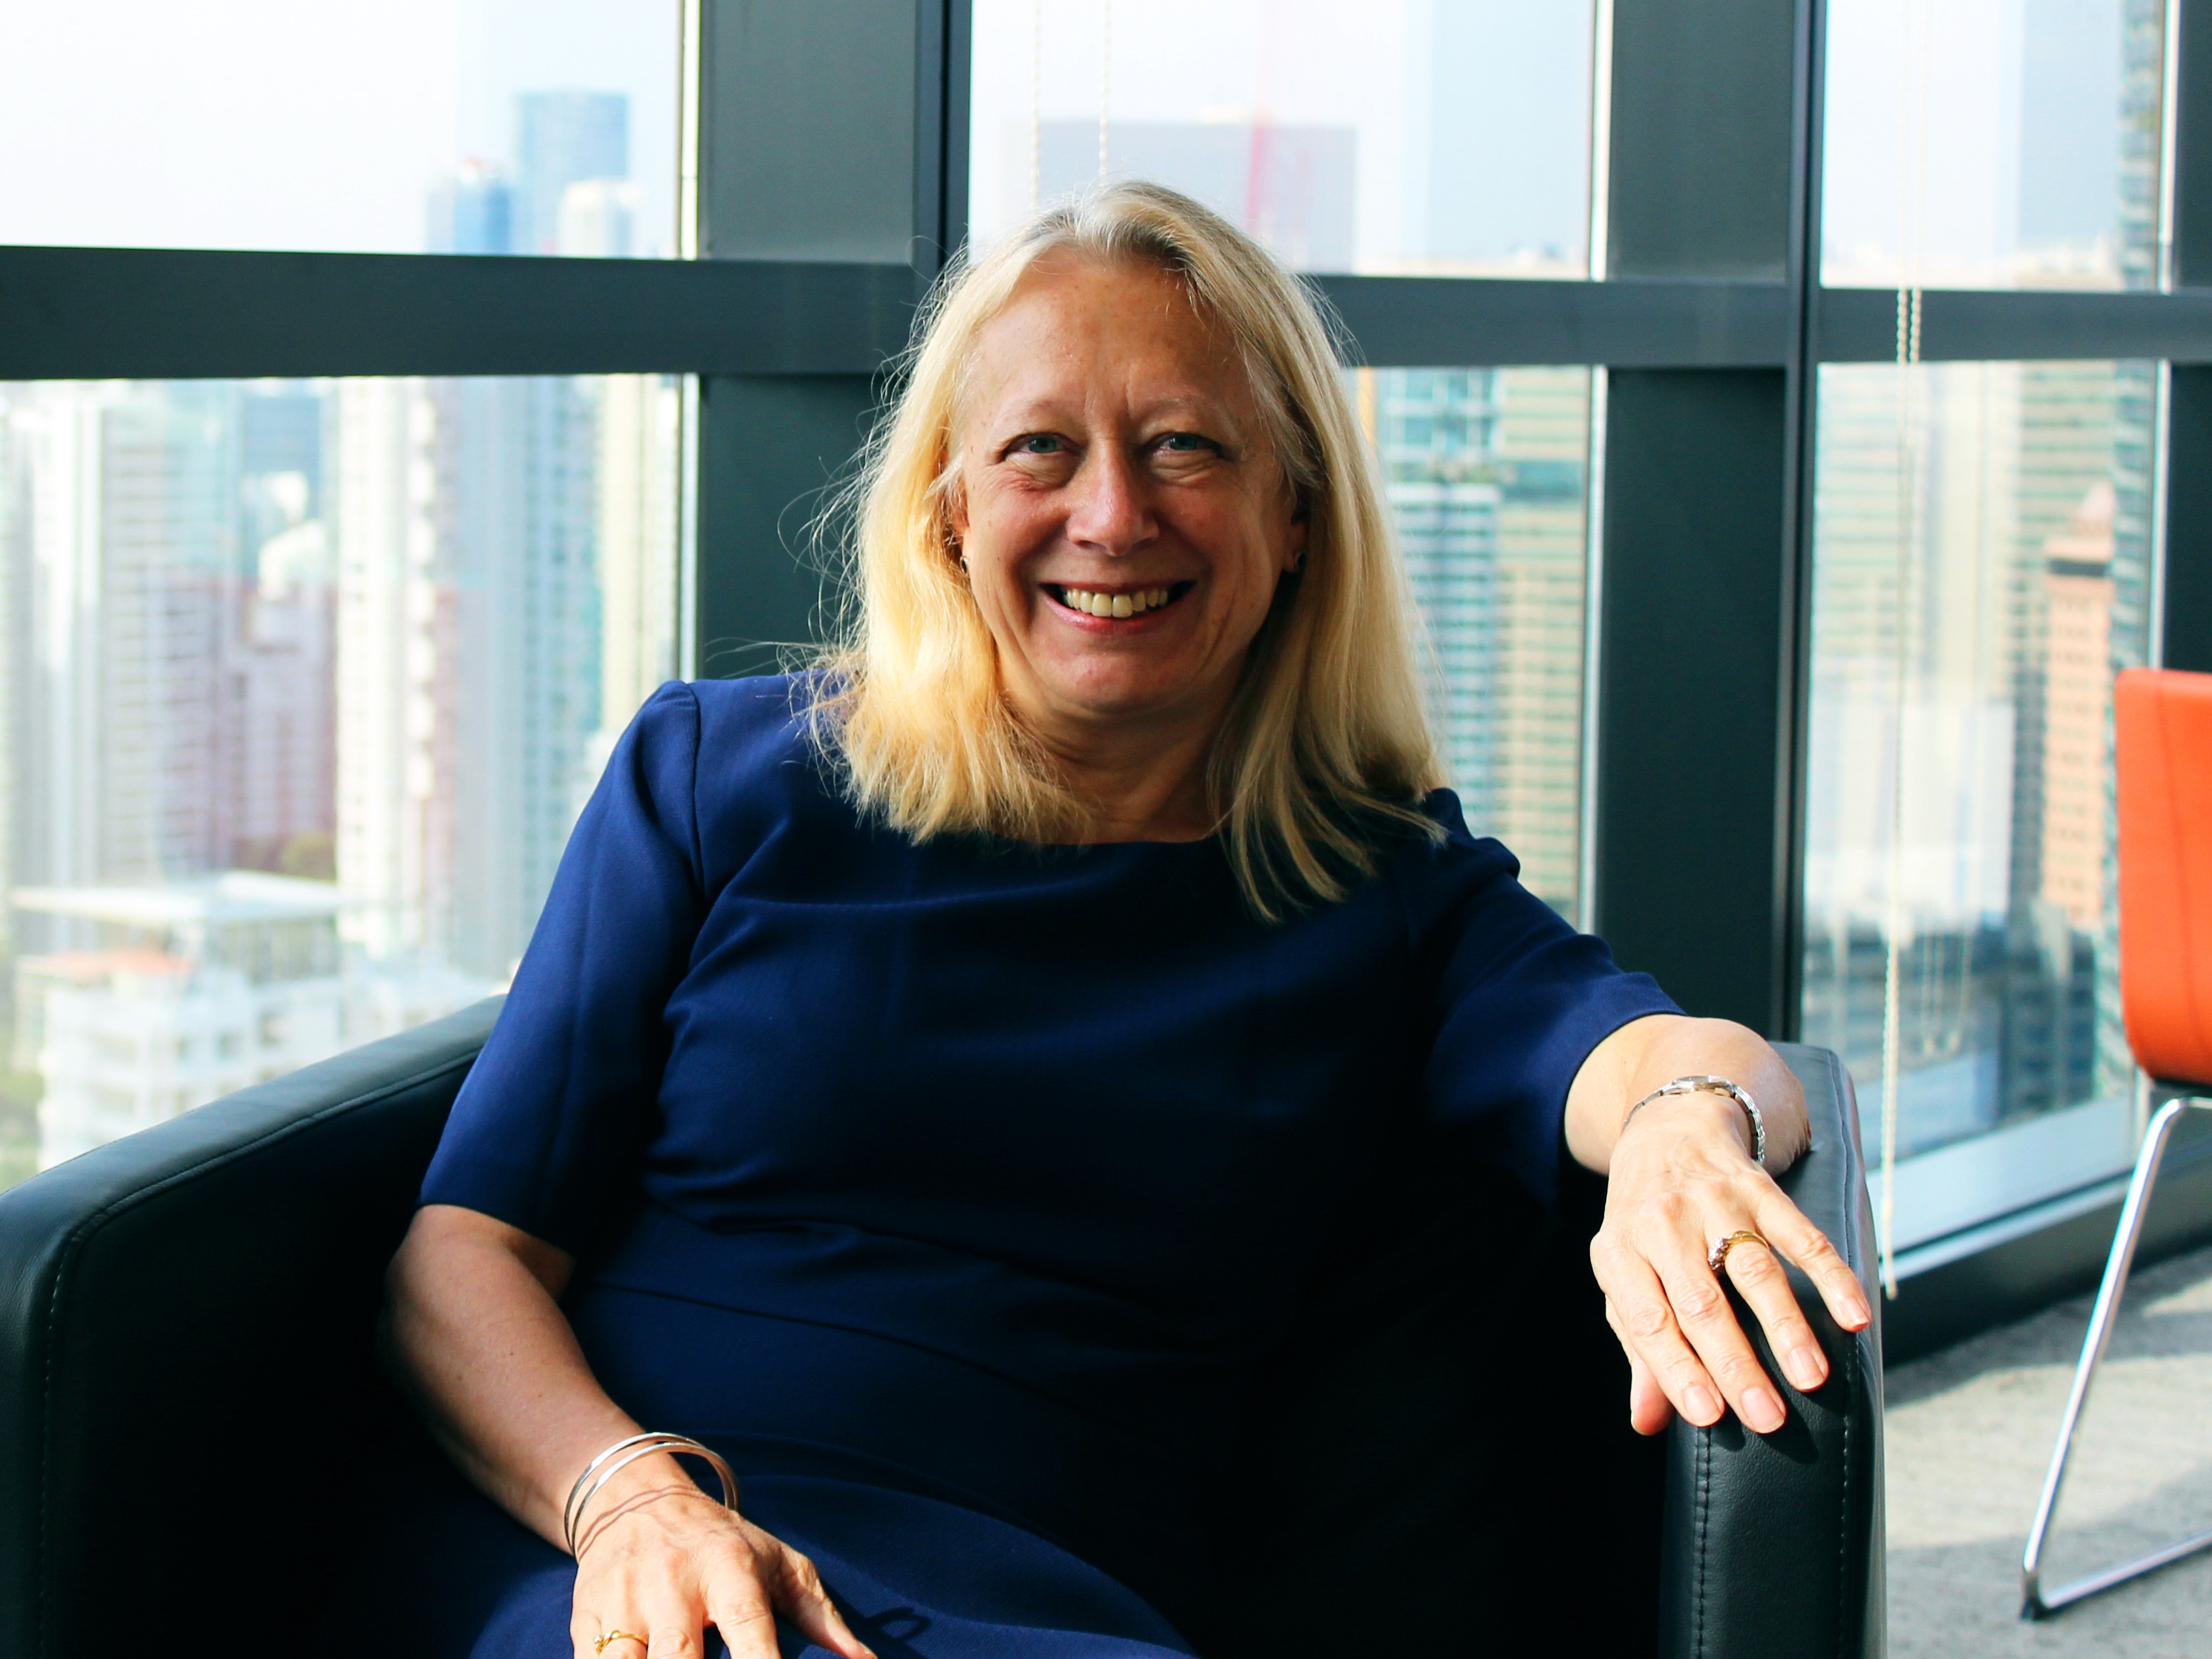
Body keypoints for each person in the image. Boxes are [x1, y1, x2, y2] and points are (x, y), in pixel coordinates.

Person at [360, 184, 1873, 1658]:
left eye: (1182, 447)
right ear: (950, 512)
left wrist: (1683, 1128)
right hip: (617, 1555)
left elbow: (1666, 1053)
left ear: (1294, 512)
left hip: (1035, 1598)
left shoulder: (1374, 887)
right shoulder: (719, 779)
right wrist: (633, 1500)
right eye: (1041, 449)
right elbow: (462, 1256)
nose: (1111, 515)